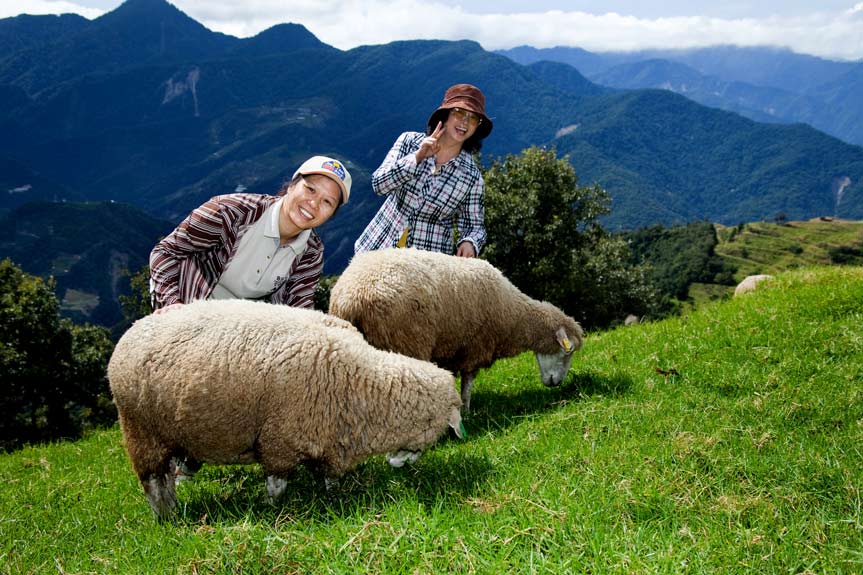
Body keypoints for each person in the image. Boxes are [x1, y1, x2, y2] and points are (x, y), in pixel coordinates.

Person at [149, 155, 351, 313]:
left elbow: (298, 307)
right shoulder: (230, 213)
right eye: (310, 189)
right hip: (185, 307)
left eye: (327, 202)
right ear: (291, 186)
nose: (314, 203)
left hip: (235, 328)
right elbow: (166, 251)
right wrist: (171, 302)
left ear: (331, 214)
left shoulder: (310, 252)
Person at [355, 83, 493, 257]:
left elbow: (475, 226)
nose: (465, 122)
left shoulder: (472, 177)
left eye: (473, 118)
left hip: (425, 264)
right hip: (377, 247)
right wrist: (417, 157)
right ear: (445, 115)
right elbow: (379, 184)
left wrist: (470, 242)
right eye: (459, 112)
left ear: (477, 127)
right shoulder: (409, 142)